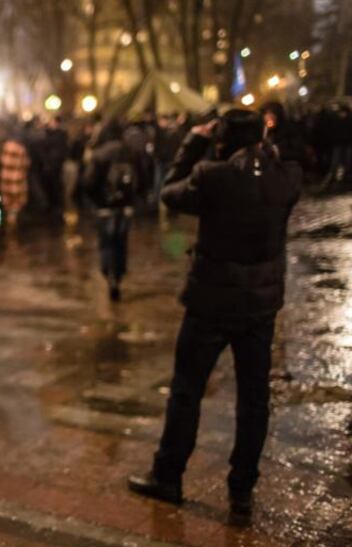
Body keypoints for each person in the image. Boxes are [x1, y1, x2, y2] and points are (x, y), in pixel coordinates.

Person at [128, 110, 301, 519]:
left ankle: (168, 476)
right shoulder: (287, 177)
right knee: (254, 399)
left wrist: (192, 143)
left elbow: (169, 191)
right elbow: (278, 162)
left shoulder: (213, 177)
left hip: (210, 303)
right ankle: (241, 491)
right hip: (261, 305)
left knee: (187, 391)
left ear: (222, 141)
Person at [82, 121, 147, 301]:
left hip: (105, 208)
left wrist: (97, 203)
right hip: (125, 207)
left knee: (106, 242)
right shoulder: (131, 153)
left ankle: (107, 272)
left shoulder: (99, 154)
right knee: (121, 242)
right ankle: (118, 276)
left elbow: (88, 182)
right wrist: (134, 201)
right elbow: (143, 178)